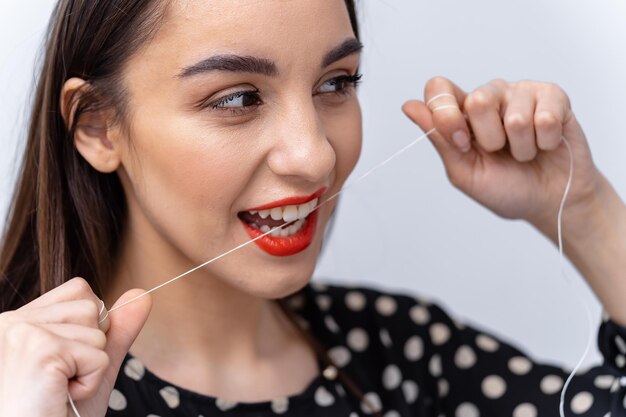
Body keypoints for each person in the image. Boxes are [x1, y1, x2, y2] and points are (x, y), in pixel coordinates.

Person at [0, 0, 625, 416]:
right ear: (98, 127)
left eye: (336, 84)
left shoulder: (398, 352)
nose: (315, 156)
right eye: (237, 97)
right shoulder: (27, 387)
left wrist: (586, 208)